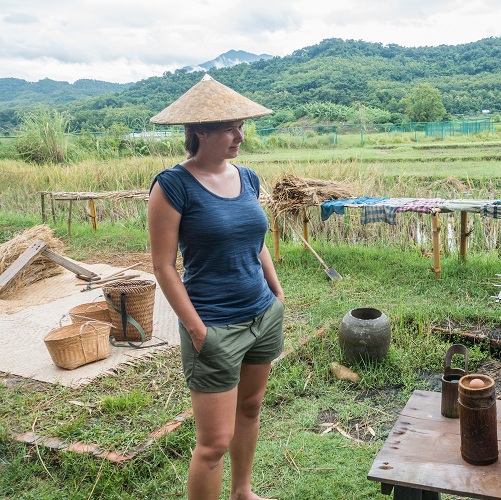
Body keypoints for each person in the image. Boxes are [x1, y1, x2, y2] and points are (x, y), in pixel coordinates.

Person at [148, 74, 284, 500]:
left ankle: (242, 491)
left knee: (251, 407)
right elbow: (163, 266)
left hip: (262, 314)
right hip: (215, 327)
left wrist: (277, 293)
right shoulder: (172, 186)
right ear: (199, 131)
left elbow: (255, 239)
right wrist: (195, 328)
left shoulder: (249, 177)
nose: (239, 136)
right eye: (230, 128)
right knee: (213, 444)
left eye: (241, 126)